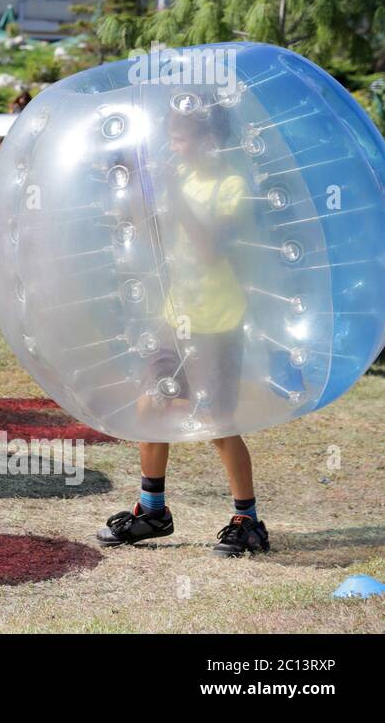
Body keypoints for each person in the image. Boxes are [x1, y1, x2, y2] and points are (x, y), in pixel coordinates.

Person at [96, 107, 268, 557]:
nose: (174, 148)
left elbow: (211, 249)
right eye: (170, 139)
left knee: (217, 423)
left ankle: (248, 520)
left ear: (211, 141)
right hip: (176, 316)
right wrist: (133, 183)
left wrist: (174, 191)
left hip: (217, 320)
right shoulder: (179, 177)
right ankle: (153, 511)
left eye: (183, 140)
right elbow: (151, 234)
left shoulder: (230, 185)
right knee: (150, 405)